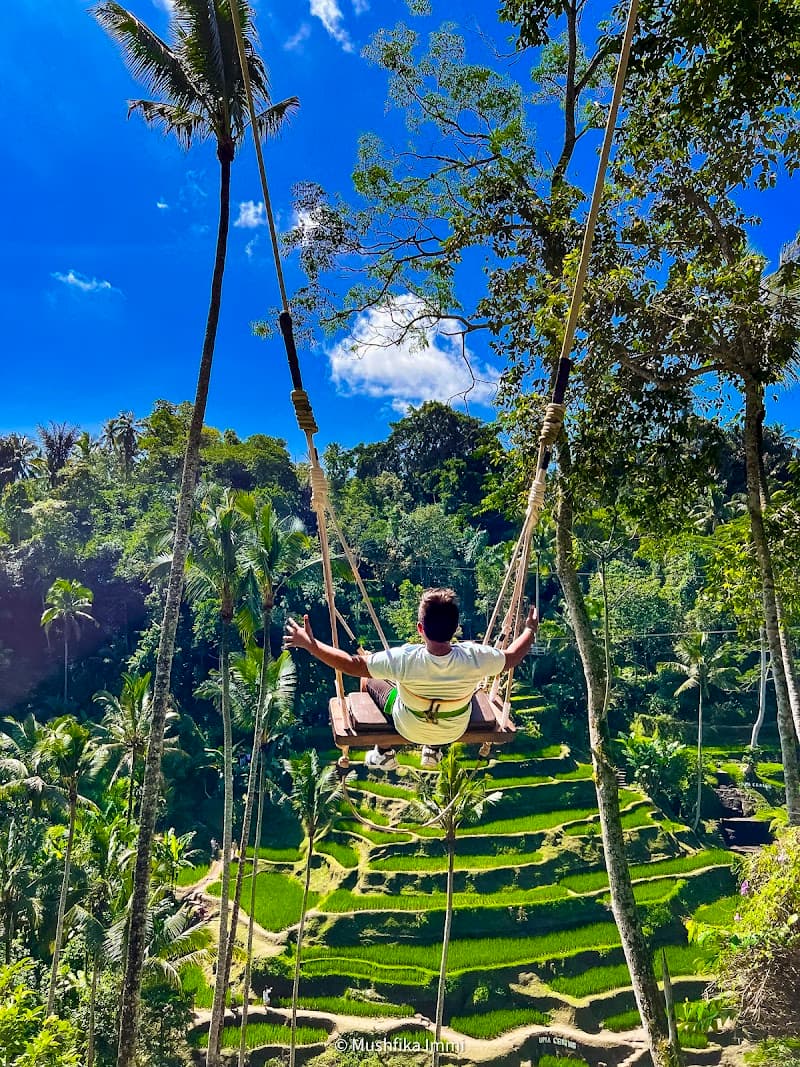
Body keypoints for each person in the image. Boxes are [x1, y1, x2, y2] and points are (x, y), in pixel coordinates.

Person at [283, 586, 538, 771]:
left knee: (368, 681)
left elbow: (352, 664)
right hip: (454, 727)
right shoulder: (476, 657)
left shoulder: (405, 659)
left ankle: (384, 752)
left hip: (408, 724)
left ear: (420, 629)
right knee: (462, 697)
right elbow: (512, 656)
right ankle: (433, 749)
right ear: (456, 627)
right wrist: (529, 629)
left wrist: (312, 646)